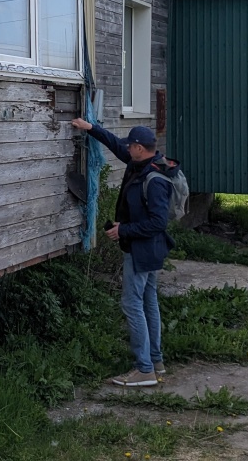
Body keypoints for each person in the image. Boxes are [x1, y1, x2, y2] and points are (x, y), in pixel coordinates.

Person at [71, 119, 177, 387]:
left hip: (142, 250)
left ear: (140, 148)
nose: (127, 149)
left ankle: (143, 370)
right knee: (148, 302)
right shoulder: (140, 163)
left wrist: (124, 230)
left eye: (132, 146)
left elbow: (158, 222)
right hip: (149, 250)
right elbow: (116, 145)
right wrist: (91, 128)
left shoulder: (154, 180)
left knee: (132, 303)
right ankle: (155, 361)